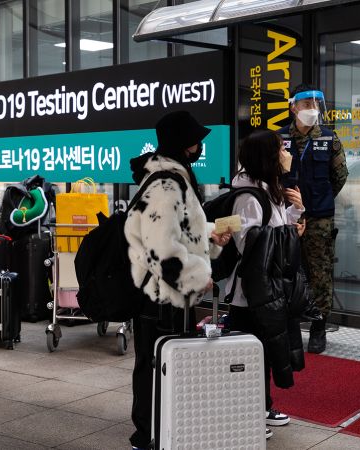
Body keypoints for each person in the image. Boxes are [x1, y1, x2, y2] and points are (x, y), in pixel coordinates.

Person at [125, 110, 231, 450]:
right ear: (182, 144)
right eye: (195, 141)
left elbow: (181, 229)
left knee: (165, 361)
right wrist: (195, 278)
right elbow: (160, 247)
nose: (199, 147)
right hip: (158, 295)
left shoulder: (173, 176)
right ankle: (147, 434)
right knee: (154, 363)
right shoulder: (165, 182)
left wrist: (211, 235)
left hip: (164, 294)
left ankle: (164, 428)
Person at [226, 129, 307, 439]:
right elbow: (248, 242)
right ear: (267, 156)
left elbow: (270, 227)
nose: (286, 154)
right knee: (251, 356)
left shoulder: (265, 188)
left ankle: (263, 405)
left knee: (266, 351)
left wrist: (295, 212)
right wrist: (291, 235)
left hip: (267, 288)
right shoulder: (248, 195)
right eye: (281, 148)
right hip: (251, 293)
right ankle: (249, 413)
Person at [279, 84, 348, 354]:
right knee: (287, 270)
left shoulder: (329, 138)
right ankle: (288, 324)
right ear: (293, 106)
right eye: (306, 104)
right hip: (285, 217)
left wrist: (320, 199)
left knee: (320, 272)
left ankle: (319, 327)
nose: (311, 109)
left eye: (315, 104)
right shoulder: (280, 138)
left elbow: (340, 175)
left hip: (319, 217)